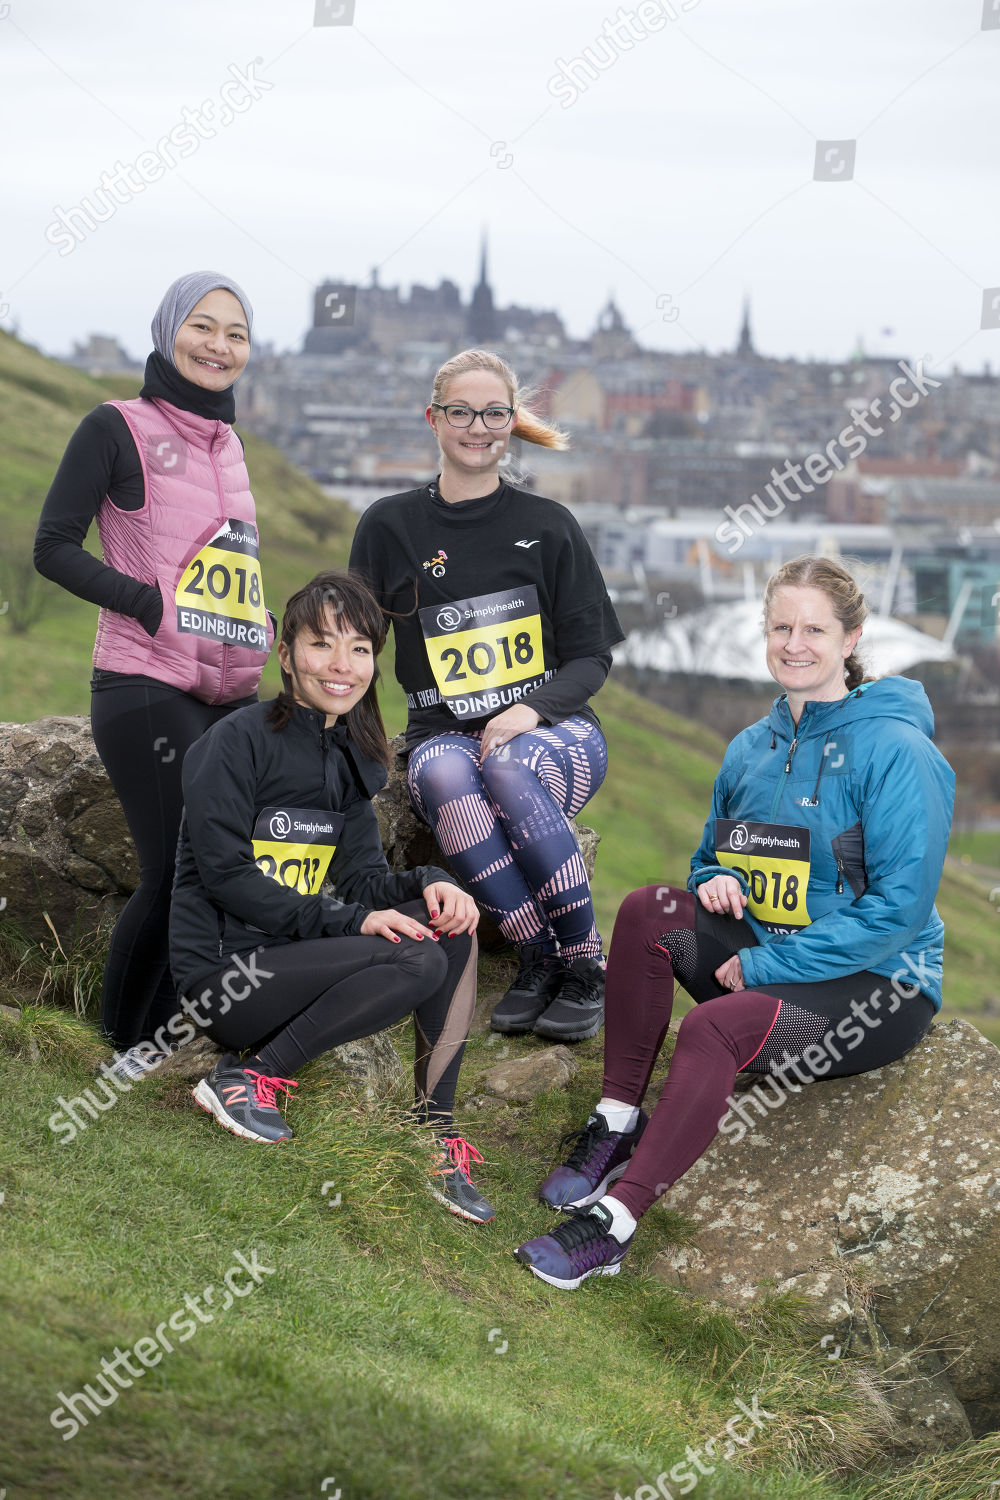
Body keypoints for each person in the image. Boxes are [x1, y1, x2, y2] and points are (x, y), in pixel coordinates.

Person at [515, 555, 955, 1288]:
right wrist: (716, 882)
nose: (794, 644)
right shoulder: (753, 746)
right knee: (648, 909)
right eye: (781, 627)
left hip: (879, 985)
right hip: (772, 954)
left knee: (713, 1027)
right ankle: (616, 1123)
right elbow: (707, 859)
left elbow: (898, 912)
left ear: (850, 639)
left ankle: (615, 1224)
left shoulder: (899, 751)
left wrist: (764, 965)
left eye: (814, 630)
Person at [169, 571, 492, 1223]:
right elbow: (227, 877)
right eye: (321, 643)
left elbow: (364, 882)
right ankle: (248, 1078)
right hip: (226, 980)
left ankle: (433, 1133)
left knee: (447, 928)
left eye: (359, 648)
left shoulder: (348, 758)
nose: (342, 665)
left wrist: (430, 883)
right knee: (417, 958)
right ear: (286, 655)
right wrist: (355, 921)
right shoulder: (235, 743)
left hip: (299, 962)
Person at [34, 271, 272, 1081]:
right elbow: (53, 546)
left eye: (236, 333)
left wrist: (260, 624)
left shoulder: (230, 445)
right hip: (142, 681)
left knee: (219, 866)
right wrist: (148, 604)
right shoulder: (116, 427)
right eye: (202, 326)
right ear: (168, 331)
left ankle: (173, 1041)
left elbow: (225, 563)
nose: (218, 345)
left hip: (228, 689)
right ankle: (118, 1046)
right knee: (175, 864)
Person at [349, 348, 624, 1042]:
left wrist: (529, 711)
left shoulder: (550, 523)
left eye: (494, 413)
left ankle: (586, 964)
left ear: (513, 420)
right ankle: (538, 956)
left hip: (553, 730)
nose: (478, 427)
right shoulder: (388, 526)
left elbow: (592, 656)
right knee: (447, 774)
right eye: (462, 412)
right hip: (442, 730)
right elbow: (356, 643)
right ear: (433, 419)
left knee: (506, 764)